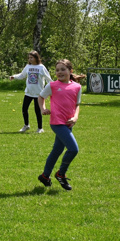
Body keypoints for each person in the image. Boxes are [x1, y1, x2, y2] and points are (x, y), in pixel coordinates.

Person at [37, 59, 84, 191]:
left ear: (70, 71)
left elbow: (77, 105)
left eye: (63, 69)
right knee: (73, 149)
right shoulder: (52, 85)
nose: (59, 72)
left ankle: (45, 176)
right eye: (57, 70)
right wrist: (43, 109)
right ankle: (61, 174)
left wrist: (75, 117)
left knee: (57, 151)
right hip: (57, 123)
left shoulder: (77, 87)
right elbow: (41, 97)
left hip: (69, 123)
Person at [9, 50, 51, 134]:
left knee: (37, 110)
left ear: (36, 58)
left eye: (31, 57)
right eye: (29, 58)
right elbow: (22, 75)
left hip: (38, 93)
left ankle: (40, 128)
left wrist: (52, 88)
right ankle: (26, 125)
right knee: (24, 109)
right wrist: (14, 76)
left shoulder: (41, 67)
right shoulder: (28, 66)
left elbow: (48, 79)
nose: (30, 59)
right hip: (28, 92)